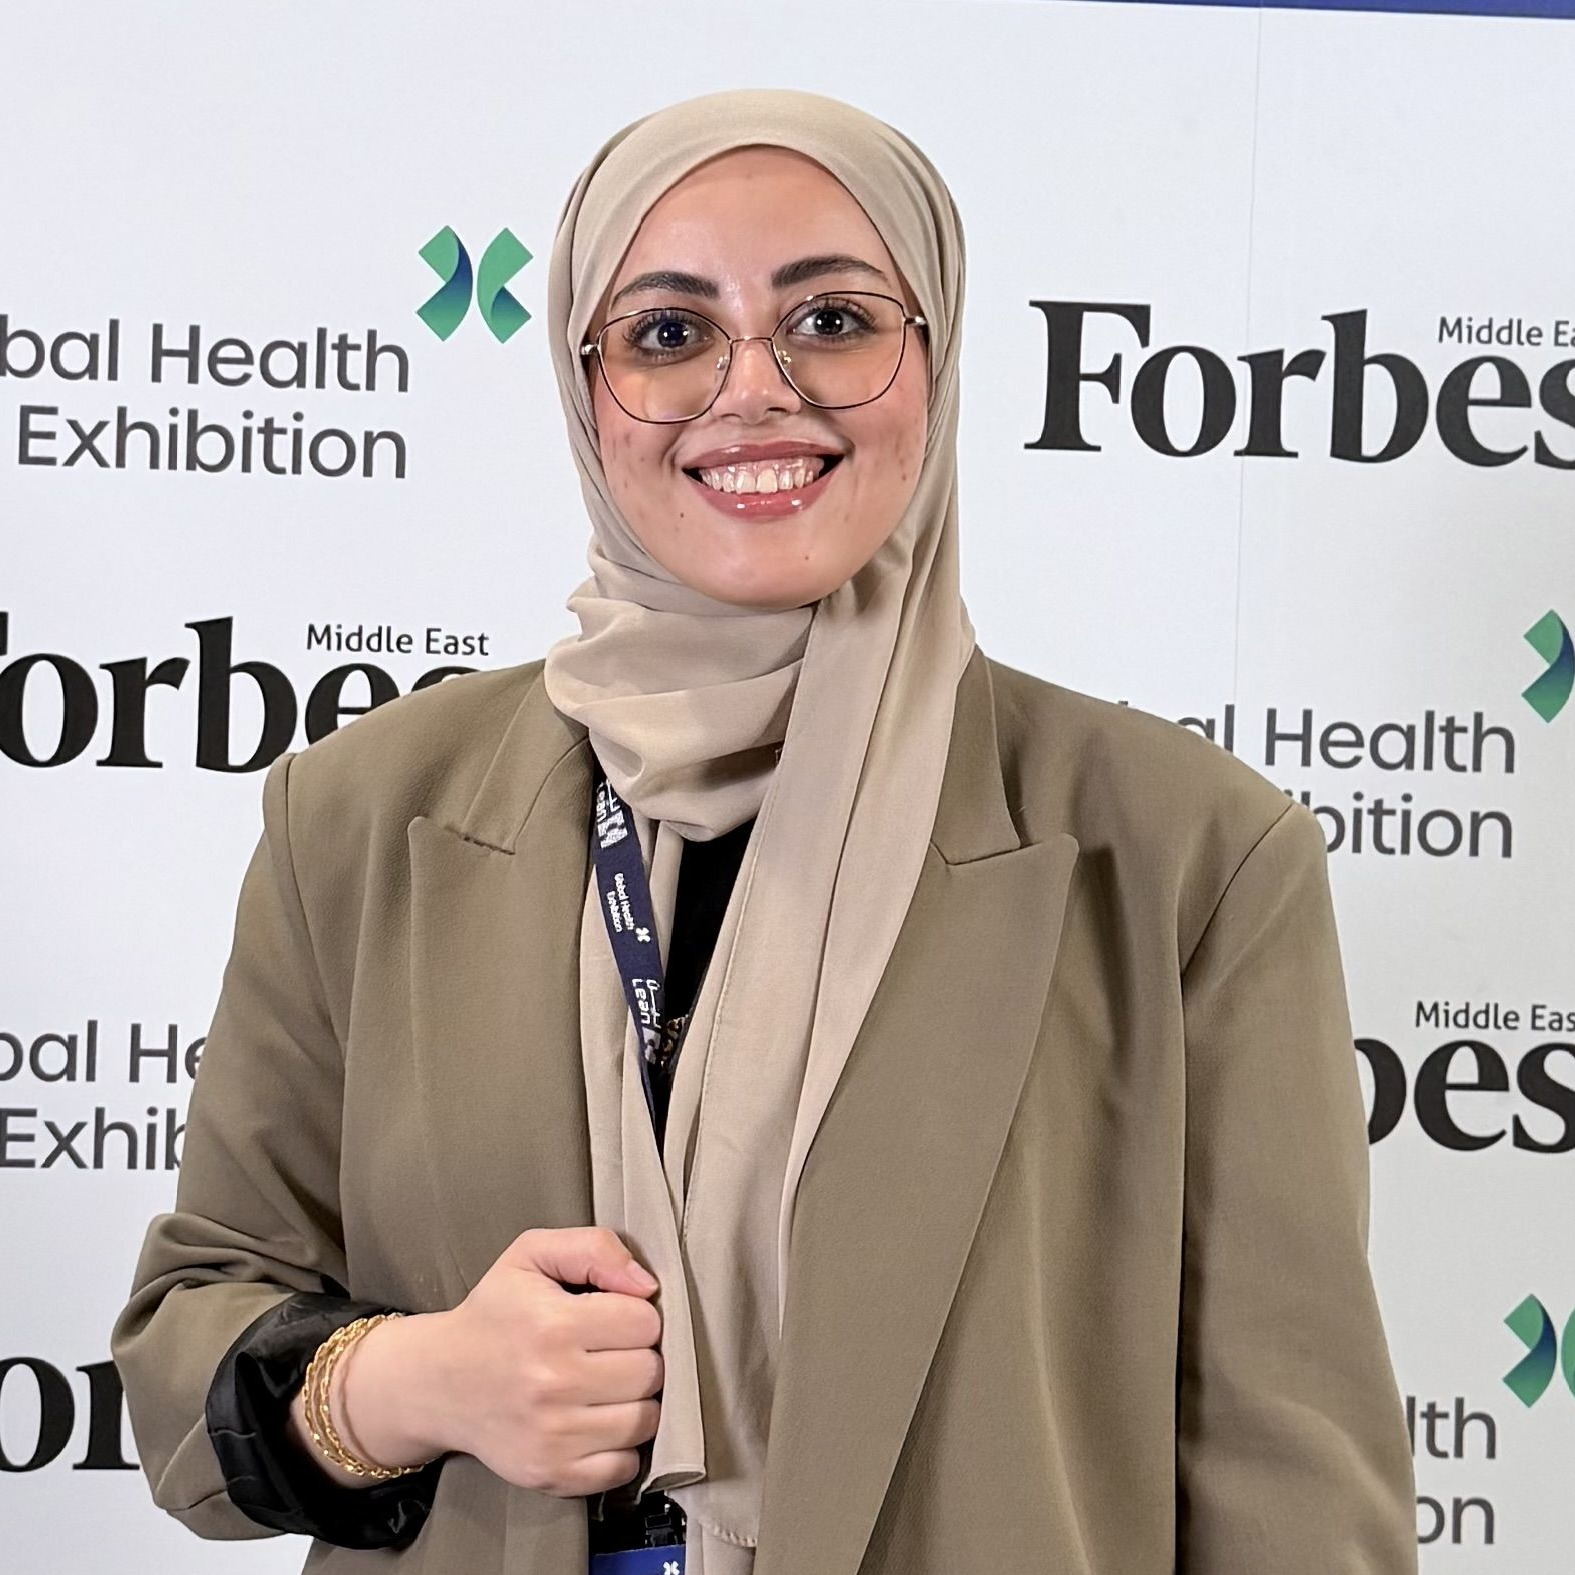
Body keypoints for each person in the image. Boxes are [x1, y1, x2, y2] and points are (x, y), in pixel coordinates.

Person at [111, 86, 1419, 1574]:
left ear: (934, 354)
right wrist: (405, 1382)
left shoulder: (1188, 855)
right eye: (669, 333)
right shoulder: (361, 813)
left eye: (832, 322)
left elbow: (1289, 1487)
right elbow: (186, 1351)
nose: (754, 391)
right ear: (583, 385)